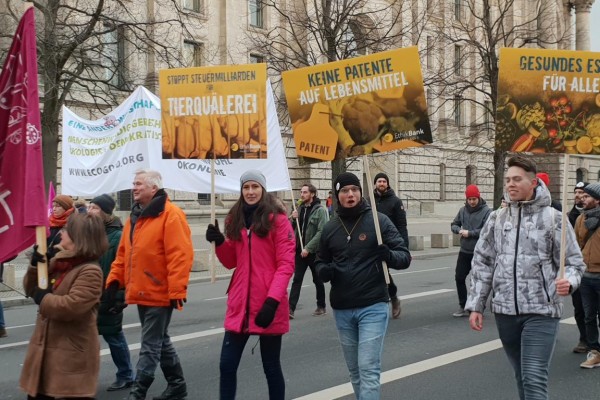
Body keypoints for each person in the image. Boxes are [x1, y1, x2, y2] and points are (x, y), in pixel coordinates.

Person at [466, 155, 584, 400]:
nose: (510, 184)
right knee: (521, 377)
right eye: (508, 179)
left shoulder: (554, 218)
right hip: (505, 312)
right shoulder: (496, 218)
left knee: (533, 378)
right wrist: (476, 304)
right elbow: (483, 262)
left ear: (533, 183)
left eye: (517, 179)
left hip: (541, 311)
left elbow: (574, 263)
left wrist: (569, 281)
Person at [315, 172, 411, 399]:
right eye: (345, 191)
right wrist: (323, 271)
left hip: (373, 305)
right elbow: (320, 261)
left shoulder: (378, 221)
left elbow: (404, 257)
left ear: (360, 192)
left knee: (368, 369)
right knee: (355, 372)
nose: (350, 195)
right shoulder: (330, 228)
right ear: (337, 196)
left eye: (354, 190)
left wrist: (388, 254)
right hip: (342, 308)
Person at [205, 170, 295, 400]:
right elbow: (232, 261)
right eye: (246, 187)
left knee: (271, 368)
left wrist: (272, 301)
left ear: (263, 190)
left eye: (255, 187)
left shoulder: (279, 220)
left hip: (267, 305)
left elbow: (285, 265)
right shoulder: (234, 219)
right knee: (226, 365)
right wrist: (219, 242)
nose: (250, 191)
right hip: (240, 306)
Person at [106, 170, 193, 400]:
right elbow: (123, 255)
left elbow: (180, 255)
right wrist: (115, 282)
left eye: (139, 184)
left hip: (159, 292)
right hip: (141, 290)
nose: (134, 187)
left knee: (150, 345)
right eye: (133, 183)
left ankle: (138, 393)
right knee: (160, 340)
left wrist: (176, 289)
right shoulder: (134, 218)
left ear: (153, 188)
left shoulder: (171, 215)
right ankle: (177, 386)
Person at [20, 213, 107, 400]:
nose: (61, 233)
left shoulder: (90, 270)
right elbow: (30, 288)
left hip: (69, 361)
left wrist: (44, 299)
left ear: (78, 237)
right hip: (45, 356)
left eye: (67, 230)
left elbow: (71, 307)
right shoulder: (61, 262)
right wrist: (36, 266)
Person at [88, 194, 134, 391]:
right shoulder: (90, 233)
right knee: (86, 338)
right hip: (89, 295)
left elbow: (126, 267)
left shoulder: (118, 236)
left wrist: (119, 297)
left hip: (109, 295)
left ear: (106, 212)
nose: (90, 211)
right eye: (90, 207)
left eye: (95, 208)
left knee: (113, 335)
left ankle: (126, 374)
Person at [450, 184, 491, 317]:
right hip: (465, 251)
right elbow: (454, 224)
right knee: (459, 277)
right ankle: (463, 305)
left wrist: (471, 233)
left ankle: (476, 307)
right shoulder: (463, 210)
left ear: (479, 198)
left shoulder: (487, 211)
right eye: (470, 199)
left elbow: (487, 230)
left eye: (474, 199)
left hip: (480, 251)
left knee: (477, 280)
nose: (472, 202)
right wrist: (458, 230)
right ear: (466, 199)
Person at [289, 183, 329, 318]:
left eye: (305, 192)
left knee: (317, 279)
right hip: (300, 251)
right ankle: (290, 309)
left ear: (312, 194)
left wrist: (308, 248)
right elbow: (292, 229)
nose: (302, 194)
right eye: (301, 192)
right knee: (297, 280)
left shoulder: (320, 210)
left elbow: (321, 231)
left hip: (314, 252)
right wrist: (293, 219)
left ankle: (321, 306)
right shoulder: (298, 209)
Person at [372, 172, 409, 319]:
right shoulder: (369, 200)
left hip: (389, 242)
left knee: (384, 271)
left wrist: (404, 247)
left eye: (383, 181)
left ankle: (393, 297)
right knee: (377, 272)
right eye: (379, 181)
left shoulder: (395, 201)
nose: (381, 183)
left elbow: (402, 225)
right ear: (375, 183)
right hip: (372, 241)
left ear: (387, 184)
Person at [574, 182, 600, 368]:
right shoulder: (580, 219)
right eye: (582, 196)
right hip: (585, 275)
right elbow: (575, 246)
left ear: (597, 200)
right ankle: (594, 351)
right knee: (589, 316)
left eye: (587, 196)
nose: (583, 199)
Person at [569, 181, 590, 353]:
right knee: (579, 307)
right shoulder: (570, 216)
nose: (578, 195)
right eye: (576, 192)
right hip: (577, 269)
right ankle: (584, 338)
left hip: (595, 268)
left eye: (582, 192)